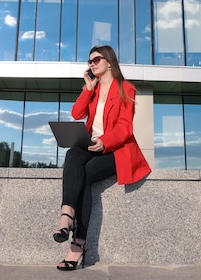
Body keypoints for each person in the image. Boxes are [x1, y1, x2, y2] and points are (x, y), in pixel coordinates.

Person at [53, 45, 151, 271]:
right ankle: (66, 214)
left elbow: (126, 128)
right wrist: (88, 89)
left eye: (96, 60)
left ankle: (76, 245)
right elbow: (77, 114)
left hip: (117, 149)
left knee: (85, 176)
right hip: (91, 144)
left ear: (109, 61)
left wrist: (106, 141)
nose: (92, 64)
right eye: (90, 62)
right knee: (72, 153)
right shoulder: (93, 89)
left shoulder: (126, 89)